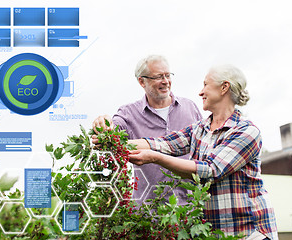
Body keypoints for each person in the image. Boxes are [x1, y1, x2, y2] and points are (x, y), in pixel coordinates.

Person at [128, 64, 278, 239]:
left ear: (224, 87)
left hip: (250, 233)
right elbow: (162, 144)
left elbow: (210, 170)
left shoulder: (246, 131)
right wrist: (114, 142)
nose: (200, 92)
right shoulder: (200, 129)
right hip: (216, 234)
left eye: (206, 85)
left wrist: (155, 158)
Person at [92, 55, 202, 206]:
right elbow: (113, 129)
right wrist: (104, 125)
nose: (165, 81)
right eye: (158, 77)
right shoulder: (129, 113)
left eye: (167, 75)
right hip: (148, 213)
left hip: (190, 209)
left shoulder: (190, 108)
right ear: (142, 81)